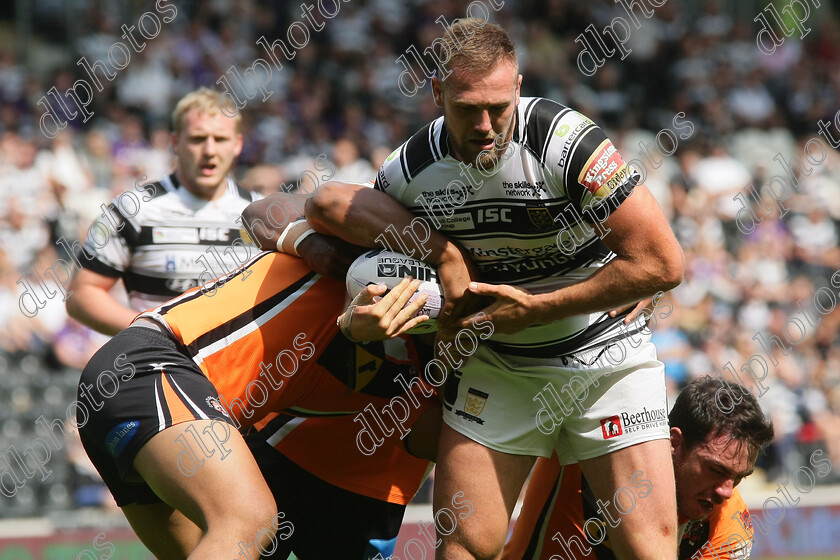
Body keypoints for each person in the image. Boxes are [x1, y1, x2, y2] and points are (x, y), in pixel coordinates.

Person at [304, 20, 685, 560]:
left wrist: (537, 309)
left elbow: (663, 263)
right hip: (497, 367)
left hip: (607, 360)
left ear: (519, 87)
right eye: (466, 108)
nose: (485, 125)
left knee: (649, 551)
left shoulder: (566, 142)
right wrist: (444, 254)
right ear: (436, 94)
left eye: (498, 106)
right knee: (462, 547)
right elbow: (327, 205)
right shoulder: (411, 168)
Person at [78, 249, 438, 558]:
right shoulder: (331, 260)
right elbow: (314, 204)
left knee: (220, 544)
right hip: (154, 363)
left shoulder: (392, 367)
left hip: (120, 389)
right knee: (250, 520)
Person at [502, 375, 774, 560]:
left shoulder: (730, 523)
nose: (726, 492)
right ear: (674, 443)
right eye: (715, 470)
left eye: (738, 478)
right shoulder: (591, 449)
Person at [65, 87, 260, 334]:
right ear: (176, 143)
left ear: (237, 144)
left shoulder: (261, 214)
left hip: (238, 369)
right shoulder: (131, 210)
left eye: (220, 139)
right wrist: (156, 335)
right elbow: (80, 294)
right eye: (198, 139)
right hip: (159, 367)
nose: (209, 151)